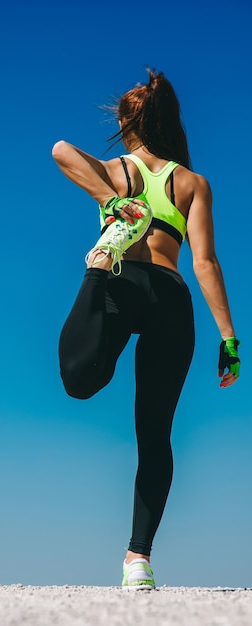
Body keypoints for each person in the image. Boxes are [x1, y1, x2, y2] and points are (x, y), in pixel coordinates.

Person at [52, 68, 240, 590]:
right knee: (154, 433)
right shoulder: (192, 183)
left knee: (79, 380)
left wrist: (110, 201)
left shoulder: (114, 169)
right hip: (172, 294)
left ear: (126, 122)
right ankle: (138, 558)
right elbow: (206, 263)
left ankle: (97, 263)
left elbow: (61, 150)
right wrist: (229, 340)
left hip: (119, 279)